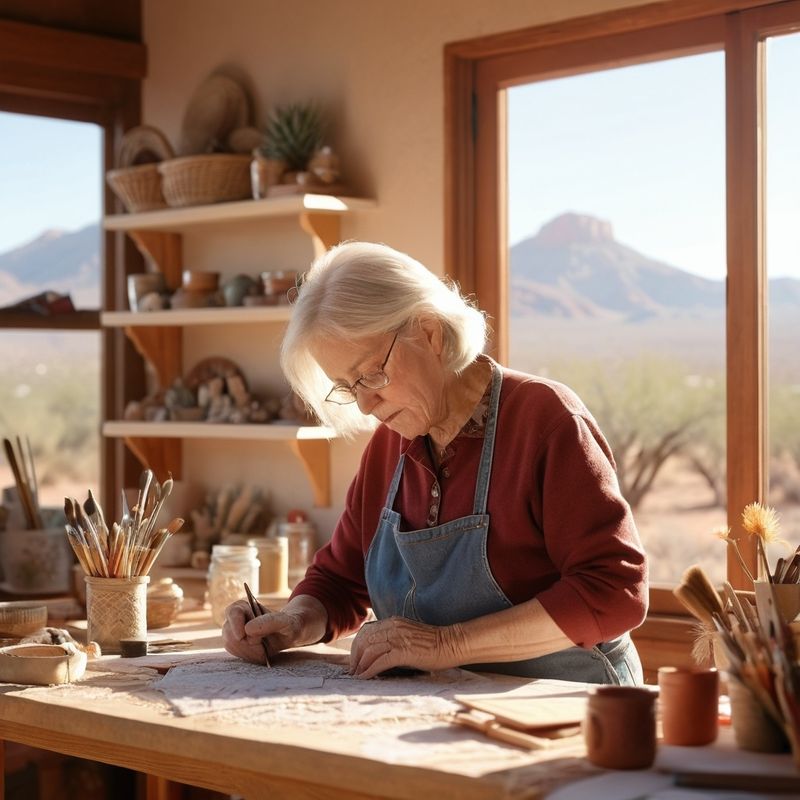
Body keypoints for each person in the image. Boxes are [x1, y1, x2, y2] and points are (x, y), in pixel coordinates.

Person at [222, 241, 648, 683]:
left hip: (567, 705)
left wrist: (445, 645)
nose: (366, 405)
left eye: (371, 375)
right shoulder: (391, 445)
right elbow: (339, 582)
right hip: (449, 709)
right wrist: (292, 623)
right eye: (349, 387)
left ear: (429, 333)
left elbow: (614, 591)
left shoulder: (545, 419)